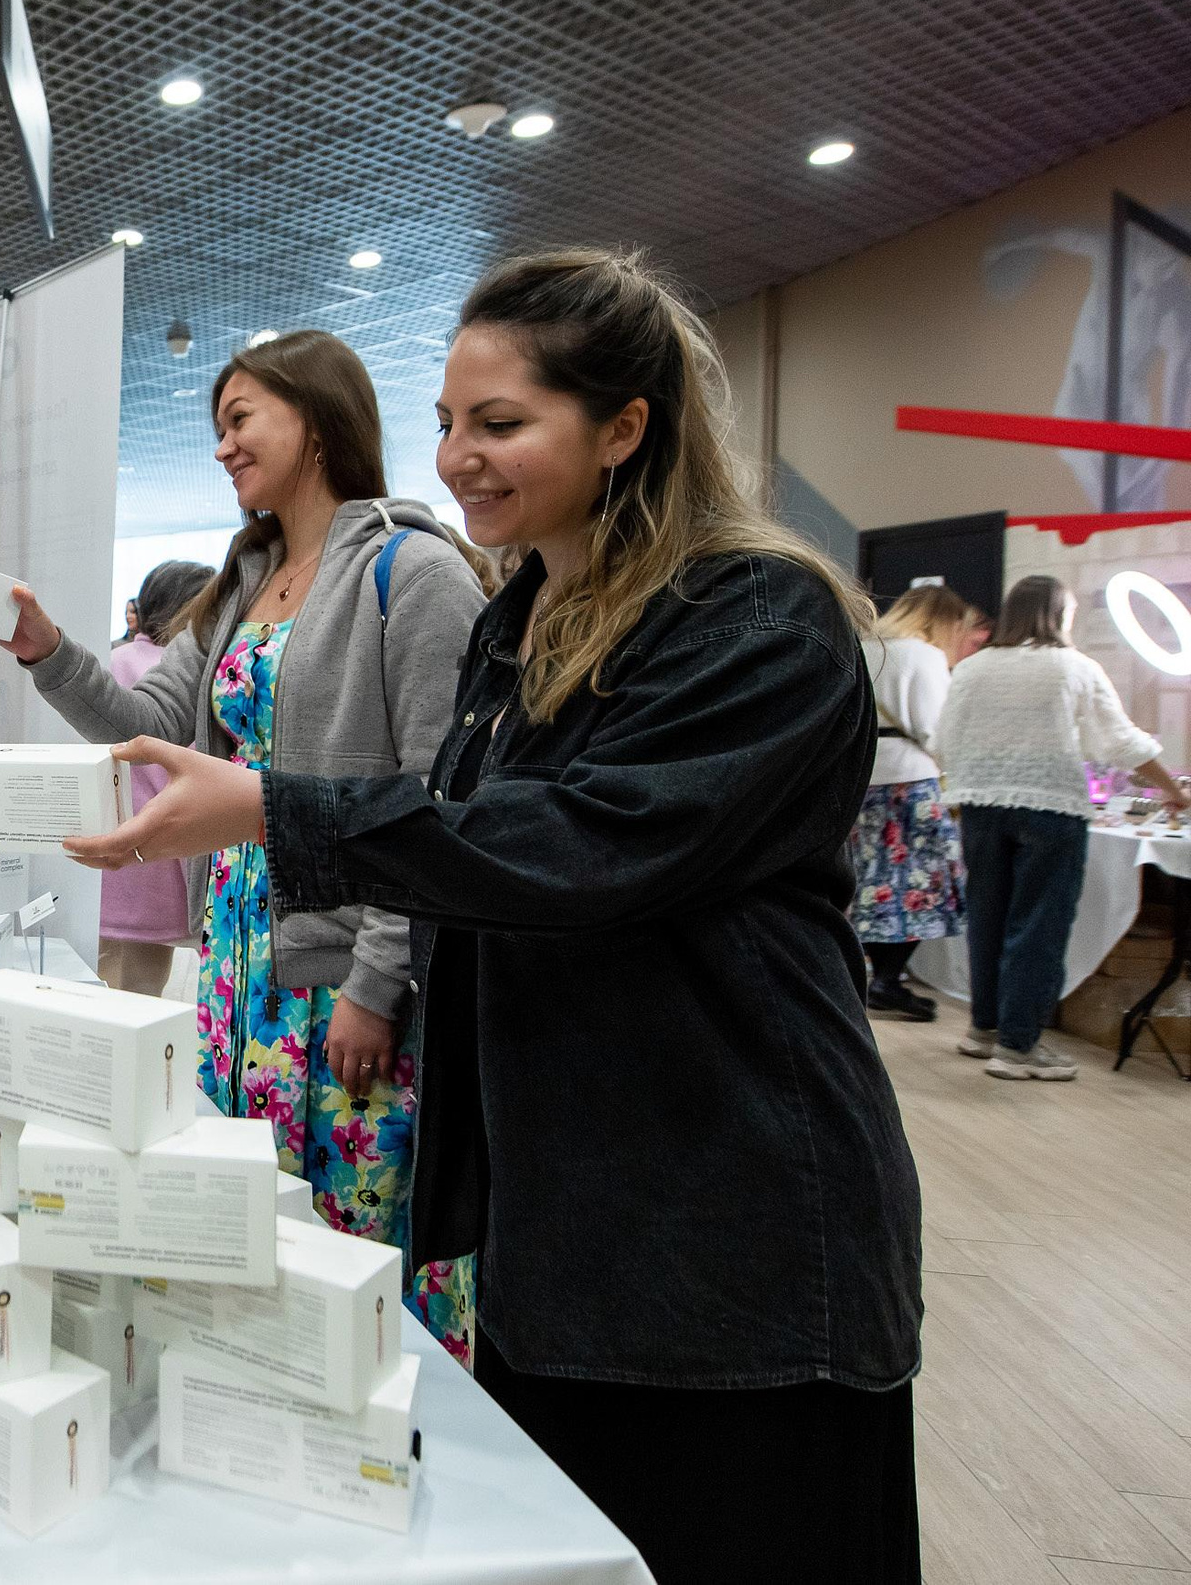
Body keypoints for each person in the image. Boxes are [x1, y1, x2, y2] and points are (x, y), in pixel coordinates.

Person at [66, 249, 924, 1584]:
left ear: (626, 427)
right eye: (452, 423)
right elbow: (456, 829)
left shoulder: (757, 612)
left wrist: (280, 816)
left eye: (503, 424)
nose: (460, 458)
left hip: (723, 1204)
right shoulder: (522, 606)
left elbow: (582, 845)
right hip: (557, 1198)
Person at [0, 328, 488, 1361]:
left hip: (348, 957)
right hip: (240, 950)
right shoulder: (244, 581)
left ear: (315, 418)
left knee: (361, 1224)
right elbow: (145, 719)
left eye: (238, 419)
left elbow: (437, 804)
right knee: (259, 1202)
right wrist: (44, 649)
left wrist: (376, 979)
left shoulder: (414, 568)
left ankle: (389, 1425)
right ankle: (265, 1395)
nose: (221, 445)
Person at [936, 573, 1190, 1081]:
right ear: (1059, 614)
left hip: (980, 809)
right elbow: (1122, 743)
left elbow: (944, 739)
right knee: (1038, 926)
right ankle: (1019, 1047)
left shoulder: (972, 669)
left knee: (988, 919)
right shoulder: (1073, 666)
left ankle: (983, 1029)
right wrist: (1175, 790)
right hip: (1051, 808)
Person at [852, 584, 981, 1019]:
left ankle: (876, 975)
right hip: (910, 779)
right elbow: (937, 730)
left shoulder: (866, 648)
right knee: (922, 881)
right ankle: (889, 979)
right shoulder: (922, 655)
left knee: (872, 878)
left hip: (863, 775)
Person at [94, 560, 214, 994]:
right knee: (143, 995)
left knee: (107, 989)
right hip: (163, 865)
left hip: (106, 863)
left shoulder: (110, 662)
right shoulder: (191, 679)